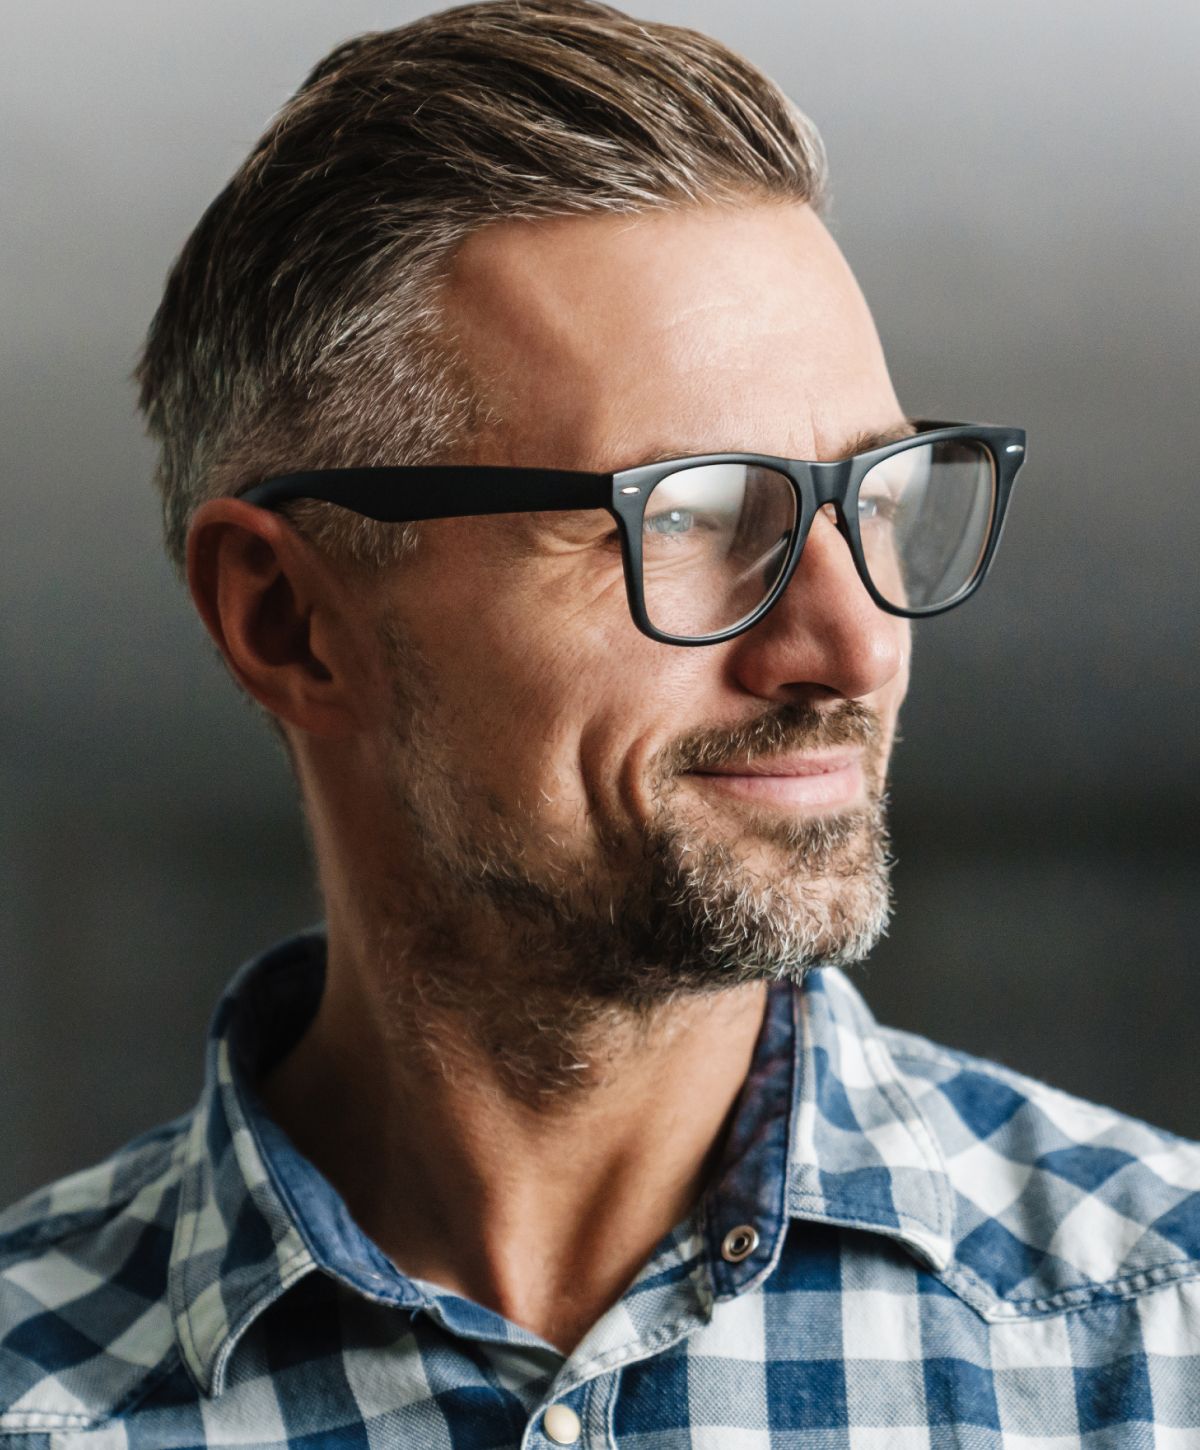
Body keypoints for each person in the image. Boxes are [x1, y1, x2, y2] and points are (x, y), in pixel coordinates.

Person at [2, 1, 1197, 1444]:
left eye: (873, 495)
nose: (854, 643)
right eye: (690, 516)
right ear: (288, 620)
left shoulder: (1160, 1331)